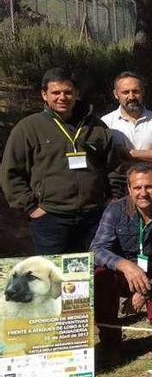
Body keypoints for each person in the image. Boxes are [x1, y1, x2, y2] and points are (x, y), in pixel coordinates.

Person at [1, 67, 117, 253]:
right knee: (53, 275)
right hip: (50, 218)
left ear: (76, 93)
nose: (62, 97)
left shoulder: (96, 126)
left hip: (93, 216)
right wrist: (31, 207)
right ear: (44, 95)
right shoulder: (28, 128)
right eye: (55, 92)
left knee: (92, 274)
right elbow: (11, 172)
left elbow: (114, 167)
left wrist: (112, 200)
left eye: (68, 92)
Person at [90, 163, 152, 361]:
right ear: (129, 189)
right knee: (99, 274)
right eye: (137, 188)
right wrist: (125, 266)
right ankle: (110, 341)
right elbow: (96, 249)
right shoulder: (115, 210)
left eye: (149, 187)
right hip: (124, 274)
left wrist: (147, 288)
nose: (143, 193)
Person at [101, 71, 152, 198]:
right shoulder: (106, 123)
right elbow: (107, 160)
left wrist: (128, 154)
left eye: (136, 91)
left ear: (143, 92)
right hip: (119, 190)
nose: (131, 96)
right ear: (116, 94)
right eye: (125, 92)